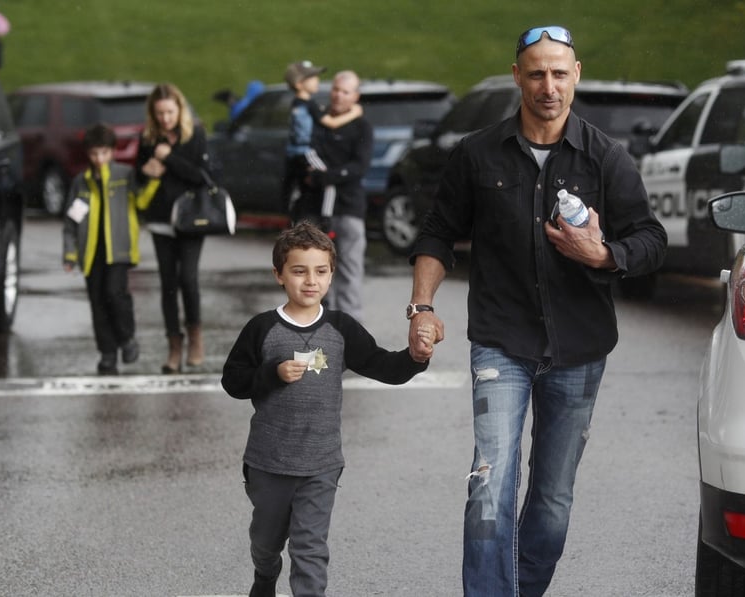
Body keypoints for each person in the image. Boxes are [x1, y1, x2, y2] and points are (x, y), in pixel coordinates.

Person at [405, 25, 666, 596]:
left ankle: (519, 589)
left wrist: (603, 253)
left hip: (579, 349)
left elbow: (650, 239)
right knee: (490, 481)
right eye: (536, 73)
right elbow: (436, 234)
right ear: (518, 76)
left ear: (576, 76)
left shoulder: (605, 158)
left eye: (559, 73)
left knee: (550, 500)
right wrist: (421, 306)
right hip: (502, 342)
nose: (548, 86)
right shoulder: (476, 154)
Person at [221, 220, 433, 597]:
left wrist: (416, 357)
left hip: (320, 464)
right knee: (266, 543)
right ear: (279, 275)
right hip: (268, 463)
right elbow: (233, 382)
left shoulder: (341, 328)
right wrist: (272, 373)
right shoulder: (262, 328)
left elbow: (382, 366)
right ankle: (265, 576)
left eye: (320, 271)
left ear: (332, 275)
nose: (310, 281)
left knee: (310, 548)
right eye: (298, 271)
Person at [62, 124, 159, 375]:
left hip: (119, 250)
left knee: (115, 294)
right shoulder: (80, 183)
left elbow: (141, 201)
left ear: (112, 152)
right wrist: (70, 254)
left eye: (104, 153)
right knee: (98, 303)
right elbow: (71, 222)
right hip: (91, 254)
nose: (99, 159)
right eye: (94, 154)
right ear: (88, 154)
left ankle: (127, 339)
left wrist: (153, 181)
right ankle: (107, 353)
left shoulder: (124, 175)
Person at [135, 82, 211, 374]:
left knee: (188, 279)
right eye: (160, 113)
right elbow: (137, 176)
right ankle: (173, 348)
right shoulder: (148, 138)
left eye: (169, 111)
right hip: (160, 219)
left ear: (180, 108)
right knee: (168, 284)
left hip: (191, 220)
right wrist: (145, 171)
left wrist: (168, 158)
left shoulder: (195, 134)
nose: (165, 118)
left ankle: (195, 338)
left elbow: (201, 177)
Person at [308, 70, 373, 322]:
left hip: (349, 208)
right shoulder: (319, 123)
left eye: (345, 91)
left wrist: (331, 174)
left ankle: (351, 334)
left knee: (349, 272)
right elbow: (309, 156)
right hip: (317, 207)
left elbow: (359, 166)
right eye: (335, 89)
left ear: (355, 96)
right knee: (316, 274)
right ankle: (317, 329)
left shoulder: (362, 126)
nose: (338, 95)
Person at [283, 61, 362, 219]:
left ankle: (293, 213)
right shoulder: (310, 105)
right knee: (327, 179)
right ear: (299, 84)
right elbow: (332, 123)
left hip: (293, 153)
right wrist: (354, 113)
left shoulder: (295, 103)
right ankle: (327, 217)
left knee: (299, 184)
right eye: (312, 77)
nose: (317, 80)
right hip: (306, 151)